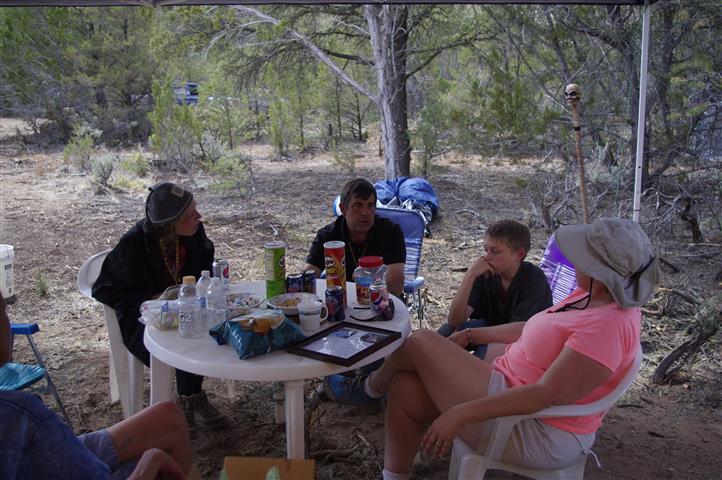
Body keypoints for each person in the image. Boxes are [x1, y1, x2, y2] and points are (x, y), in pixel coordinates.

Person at [349, 218, 659, 480]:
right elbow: (533, 328)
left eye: (582, 257)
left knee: (421, 340)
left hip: (534, 430)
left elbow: (545, 395)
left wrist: (460, 414)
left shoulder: (608, 326)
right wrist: (474, 336)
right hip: (505, 387)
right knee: (404, 387)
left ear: (598, 271)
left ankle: (370, 388)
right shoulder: (589, 297)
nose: (575, 260)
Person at [0, 294, 193, 480]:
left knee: (167, 416)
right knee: (159, 464)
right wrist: (148, 466)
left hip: (42, 457)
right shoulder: (22, 418)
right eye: (4, 312)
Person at [92, 181, 225, 431]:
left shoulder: (194, 234)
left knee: (200, 324)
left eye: (195, 209)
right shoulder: (134, 246)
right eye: (190, 214)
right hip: (142, 321)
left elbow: (206, 264)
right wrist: (149, 301)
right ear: (170, 223)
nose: (198, 216)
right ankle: (183, 405)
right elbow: (103, 288)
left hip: (183, 309)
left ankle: (191, 398)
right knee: (186, 333)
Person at [438, 219, 552, 358]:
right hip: (490, 327)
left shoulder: (533, 279)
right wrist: (470, 276)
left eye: (495, 251)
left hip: (521, 341)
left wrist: (470, 335)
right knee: (445, 334)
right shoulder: (485, 273)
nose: (487, 257)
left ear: (519, 254)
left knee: (483, 353)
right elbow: (454, 321)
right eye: (486, 250)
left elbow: (523, 332)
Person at [303, 178, 406, 298]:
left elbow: (395, 283)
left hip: (382, 301)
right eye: (358, 205)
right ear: (343, 209)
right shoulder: (328, 236)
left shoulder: (390, 232)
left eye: (370, 205)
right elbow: (309, 274)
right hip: (341, 301)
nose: (365, 212)